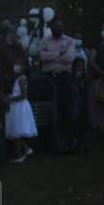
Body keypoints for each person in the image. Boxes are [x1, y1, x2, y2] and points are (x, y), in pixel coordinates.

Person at [39, 18, 76, 151]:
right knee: (50, 108)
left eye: (59, 25)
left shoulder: (70, 40)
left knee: (65, 106)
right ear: (51, 26)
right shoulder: (45, 41)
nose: (57, 28)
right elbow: (42, 57)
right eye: (55, 26)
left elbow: (70, 58)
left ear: (63, 26)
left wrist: (52, 57)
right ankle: (51, 140)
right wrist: (60, 54)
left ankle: (68, 138)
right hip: (48, 79)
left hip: (64, 77)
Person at [3, 57, 37, 163]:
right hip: (16, 106)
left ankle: (19, 155)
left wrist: (9, 99)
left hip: (19, 107)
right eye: (15, 63)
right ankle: (26, 149)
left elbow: (23, 95)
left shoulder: (22, 79)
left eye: (18, 64)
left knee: (17, 131)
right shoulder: (17, 78)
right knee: (15, 130)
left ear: (24, 67)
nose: (16, 66)